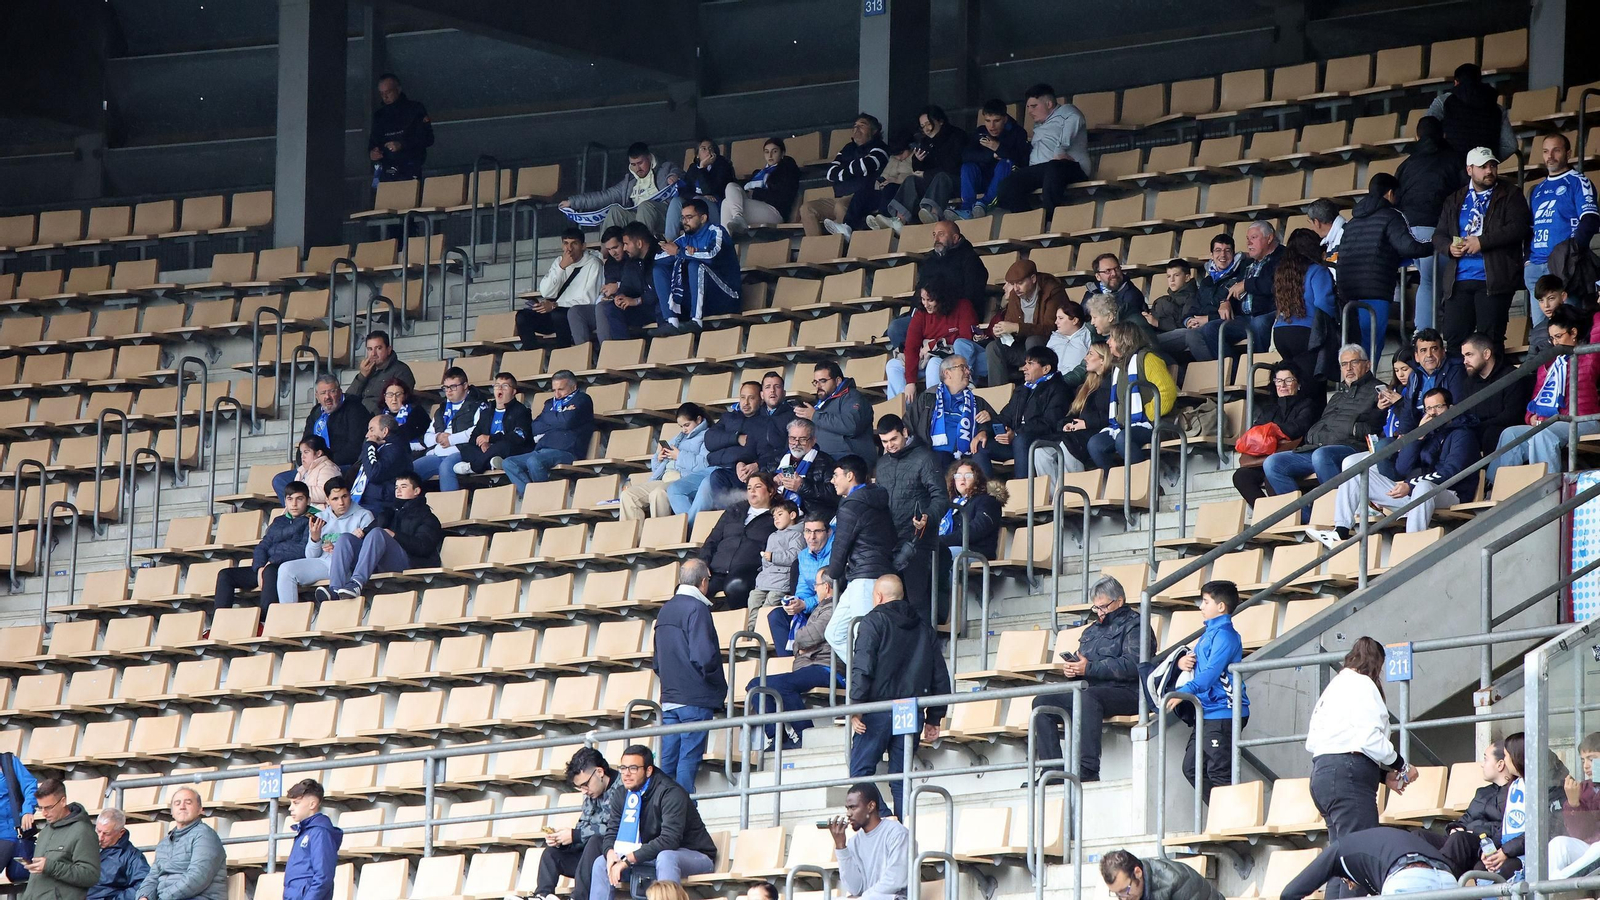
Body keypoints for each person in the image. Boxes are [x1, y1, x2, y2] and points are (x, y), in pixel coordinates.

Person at [1302, 635, 1418, 898]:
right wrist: (1401, 766)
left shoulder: (1336, 686)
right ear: (1377, 664)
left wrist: (1379, 775)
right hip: (1348, 780)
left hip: (1323, 774)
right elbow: (1368, 739)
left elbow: (1323, 742)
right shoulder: (1364, 685)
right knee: (1361, 858)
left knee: (1340, 860)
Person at [1312, 387, 1475, 543]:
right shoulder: (1427, 433)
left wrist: (1410, 485)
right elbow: (1402, 468)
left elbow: (1451, 471)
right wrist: (1418, 437)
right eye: (1428, 408)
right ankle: (1341, 531)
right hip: (1414, 495)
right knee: (1356, 473)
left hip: (1450, 493)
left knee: (1423, 487)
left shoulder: (1462, 433)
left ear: (1451, 407)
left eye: (1438, 407)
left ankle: (1413, 542)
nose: (1432, 413)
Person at [848, 575, 950, 819]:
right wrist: (934, 717)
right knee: (901, 777)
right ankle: (902, 828)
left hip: (879, 709)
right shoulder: (924, 627)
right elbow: (939, 675)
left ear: (879, 597)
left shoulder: (872, 622)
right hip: (911, 709)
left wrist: (856, 706)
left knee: (860, 771)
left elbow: (863, 667)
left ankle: (884, 819)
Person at [1030, 576, 1150, 782]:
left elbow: (1132, 666)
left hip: (1128, 692)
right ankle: (1052, 771)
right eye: (1096, 608)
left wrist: (1089, 668)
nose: (1100, 612)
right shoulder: (1091, 630)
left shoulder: (1136, 625)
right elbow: (1083, 662)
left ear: (1119, 601)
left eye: (1103, 607)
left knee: (1088, 698)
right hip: (1091, 691)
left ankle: (1087, 770)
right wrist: (1074, 669)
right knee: (1042, 703)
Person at [1234, 345, 1383, 505]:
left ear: (1367, 364)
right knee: (1273, 463)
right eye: (1344, 364)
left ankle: (1337, 510)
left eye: (1354, 362)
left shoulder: (1378, 390)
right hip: (1317, 447)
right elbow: (1252, 434)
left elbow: (1375, 425)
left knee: (1321, 455)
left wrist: (1271, 432)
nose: (1349, 368)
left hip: (1349, 447)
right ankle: (1301, 516)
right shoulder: (1338, 396)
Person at [1433, 147, 1533, 348]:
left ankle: (1493, 381)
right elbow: (1438, 235)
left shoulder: (1511, 193)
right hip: (1458, 280)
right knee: (1454, 340)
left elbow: (1519, 227)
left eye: (1493, 166)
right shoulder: (1454, 199)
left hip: (1495, 279)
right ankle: (1460, 381)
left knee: (1491, 340)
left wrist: (1482, 242)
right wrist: (1449, 247)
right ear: (1469, 169)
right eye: (1483, 166)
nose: (1489, 171)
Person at [1489, 304, 1600, 480]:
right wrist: (1531, 417)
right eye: (1551, 338)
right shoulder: (1548, 364)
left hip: (1584, 420)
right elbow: (1535, 399)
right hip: (1551, 423)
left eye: (1558, 336)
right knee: (1510, 434)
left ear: (1574, 333)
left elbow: (1597, 326)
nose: (1555, 343)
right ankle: (1499, 490)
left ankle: (1547, 489)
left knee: (1544, 433)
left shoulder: (1587, 356)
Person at [592, 745, 718, 898]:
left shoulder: (670, 792)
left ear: (649, 770)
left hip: (694, 855)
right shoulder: (621, 794)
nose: (626, 774)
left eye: (633, 768)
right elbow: (612, 832)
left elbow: (669, 840)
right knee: (601, 863)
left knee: (666, 857)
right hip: (647, 855)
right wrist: (610, 853)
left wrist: (626, 861)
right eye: (623, 768)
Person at [1336, 172, 1436, 359]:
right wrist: (1435, 244)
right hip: (1375, 290)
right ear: (1390, 193)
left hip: (1347, 292)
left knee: (1353, 348)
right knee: (1372, 348)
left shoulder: (1353, 222)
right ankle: (1367, 385)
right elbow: (1408, 246)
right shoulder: (1391, 216)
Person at [1166, 581, 1249, 804]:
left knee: (1219, 774)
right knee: (1192, 768)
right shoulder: (1209, 633)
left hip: (1224, 711)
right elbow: (1201, 666)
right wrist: (1184, 661)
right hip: (1207, 712)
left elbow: (1211, 673)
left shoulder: (1226, 635)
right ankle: (1222, 818)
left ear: (1221, 607)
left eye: (1205, 601)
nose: (1201, 606)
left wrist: (1183, 692)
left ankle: (1230, 826)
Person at [651, 557, 727, 790]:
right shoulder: (697, 609)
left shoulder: (665, 610)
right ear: (704, 582)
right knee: (688, 760)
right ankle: (681, 812)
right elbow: (705, 657)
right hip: (695, 697)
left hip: (670, 697)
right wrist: (718, 685)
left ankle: (662, 811)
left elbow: (656, 662)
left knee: (667, 763)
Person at [750, 565, 837, 750]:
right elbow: (805, 639)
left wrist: (797, 642)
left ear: (827, 588)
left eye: (817, 584)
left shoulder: (833, 608)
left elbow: (808, 636)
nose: (815, 588)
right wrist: (800, 646)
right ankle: (776, 736)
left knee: (781, 685)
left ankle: (805, 734)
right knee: (754, 686)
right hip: (810, 665)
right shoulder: (820, 608)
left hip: (826, 667)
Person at [318, 472, 442, 601]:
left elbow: (423, 547)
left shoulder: (428, 517)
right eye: (396, 487)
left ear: (416, 491)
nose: (398, 491)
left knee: (378, 533)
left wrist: (394, 535)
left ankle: (356, 584)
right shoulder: (390, 511)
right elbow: (371, 528)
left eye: (403, 487)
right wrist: (363, 532)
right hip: (382, 560)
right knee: (345, 539)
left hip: (410, 562)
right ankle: (334, 588)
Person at [874, 415, 949, 623]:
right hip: (888, 542)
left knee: (917, 601)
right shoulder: (881, 465)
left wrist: (928, 517)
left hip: (919, 541)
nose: (889, 445)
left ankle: (926, 649)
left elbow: (941, 497)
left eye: (893, 439)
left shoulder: (925, 458)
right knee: (891, 605)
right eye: (884, 442)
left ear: (905, 433)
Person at [1395, 115, 1467, 330]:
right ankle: (1424, 334)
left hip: (1408, 230)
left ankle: (1427, 334)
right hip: (1437, 229)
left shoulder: (1406, 164)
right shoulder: (1455, 159)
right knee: (1431, 281)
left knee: (1430, 281)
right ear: (1443, 135)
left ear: (1417, 136)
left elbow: (1396, 197)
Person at [823, 456, 896, 664]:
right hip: (871, 574)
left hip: (865, 578)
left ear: (849, 476)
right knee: (835, 632)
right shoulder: (877, 499)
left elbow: (840, 545)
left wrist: (833, 573)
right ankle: (864, 675)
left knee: (866, 637)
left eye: (836, 475)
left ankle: (876, 680)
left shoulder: (850, 506)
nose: (832, 480)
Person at [883, 223, 989, 357]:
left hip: (952, 317)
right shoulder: (930, 261)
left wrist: (944, 307)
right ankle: (919, 360)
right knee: (896, 328)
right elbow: (919, 292)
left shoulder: (970, 260)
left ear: (955, 238)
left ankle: (937, 357)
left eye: (941, 234)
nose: (936, 238)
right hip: (928, 317)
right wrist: (916, 312)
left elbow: (971, 295)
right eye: (934, 235)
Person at [533, 749, 624, 900]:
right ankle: (541, 895)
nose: (584, 791)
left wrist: (575, 835)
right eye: (580, 787)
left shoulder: (623, 788)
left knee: (596, 841)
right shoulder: (592, 793)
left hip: (615, 858)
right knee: (551, 853)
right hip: (588, 860)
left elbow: (615, 828)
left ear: (600, 772)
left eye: (585, 785)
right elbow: (583, 829)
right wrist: (562, 842)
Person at [1528, 133, 1600, 323]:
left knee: (1569, 328)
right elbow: (1530, 227)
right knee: (1542, 334)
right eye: (1545, 151)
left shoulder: (1578, 181)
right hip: (1536, 267)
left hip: (1562, 268)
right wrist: (1526, 258)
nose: (1550, 156)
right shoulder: (1537, 190)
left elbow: (1590, 219)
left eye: (1556, 150)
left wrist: (1571, 253)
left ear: (1568, 153)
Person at [1086, 323, 1178, 470]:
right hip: (1124, 427)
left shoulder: (1148, 359)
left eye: (1112, 338)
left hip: (1155, 425)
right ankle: (1118, 485)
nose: (1108, 342)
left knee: (1124, 439)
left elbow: (1167, 392)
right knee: (1095, 444)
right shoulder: (1118, 367)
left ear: (1124, 339)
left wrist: (1147, 414)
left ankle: (1146, 486)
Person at [1187, 223, 1282, 363]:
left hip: (1270, 313)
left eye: (1254, 237)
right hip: (1244, 318)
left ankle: (1261, 372)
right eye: (1247, 238)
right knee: (1212, 329)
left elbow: (1274, 284)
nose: (1249, 243)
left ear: (1269, 238)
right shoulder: (1249, 263)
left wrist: (1246, 284)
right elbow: (1234, 286)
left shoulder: (1282, 257)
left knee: (1259, 324)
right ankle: (1234, 374)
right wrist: (1225, 302)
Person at [690, 382, 786, 521]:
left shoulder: (765, 423)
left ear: (760, 399)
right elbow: (710, 441)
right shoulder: (728, 417)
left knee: (710, 482)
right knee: (675, 489)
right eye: (742, 397)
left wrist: (749, 463)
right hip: (717, 466)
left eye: (751, 398)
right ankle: (689, 529)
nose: (745, 403)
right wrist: (736, 438)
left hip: (745, 472)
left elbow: (766, 453)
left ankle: (729, 522)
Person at [212, 481, 312, 611]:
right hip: (266, 567)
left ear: (308, 501)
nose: (294, 504)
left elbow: (302, 549)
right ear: (285, 501)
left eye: (299, 499)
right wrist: (259, 567)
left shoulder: (312, 520)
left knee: (270, 572)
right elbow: (262, 546)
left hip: (287, 568)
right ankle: (219, 623)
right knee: (225, 575)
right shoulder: (278, 521)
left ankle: (265, 620)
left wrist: (271, 562)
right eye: (290, 499)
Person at [1281, 827, 1454, 900]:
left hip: (1407, 878)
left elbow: (1289, 893)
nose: (1349, 887)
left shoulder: (1339, 850)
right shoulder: (1378, 844)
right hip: (1448, 880)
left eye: (1344, 880)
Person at [1228, 364, 1318, 504]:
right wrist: (1274, 433)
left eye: (1288, 380)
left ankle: (1288, 517)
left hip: (1294, 456)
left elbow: (1298, 428)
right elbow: (1254, 433)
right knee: (1241, 476)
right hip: (1265, 458)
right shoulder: (1269, 409)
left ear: (1298, 384)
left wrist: (1271, 431)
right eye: (1278, 381)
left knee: (1271, 476)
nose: (1283, 385)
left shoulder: (1307, 404)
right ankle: (1266, 514)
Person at [276, 477, 374, 604]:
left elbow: (368, 553)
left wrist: (340, 550)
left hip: (349, 567)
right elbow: (310, 555)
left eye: (344, 496)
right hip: (324, 563)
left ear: (350, 495)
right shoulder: (320, 517)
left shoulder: (364, 515)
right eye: (335, 499)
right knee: (286, 569)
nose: (341, 503)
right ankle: (289, 618)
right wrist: (315, 539)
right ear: (327, 500)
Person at [272, 376, 368, 503]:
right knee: (280, 480)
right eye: (323, 393)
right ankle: (298, 516)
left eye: (332, 391)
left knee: (324, 485)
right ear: (317, 396)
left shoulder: (355, 409)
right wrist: (308, 463)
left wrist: (325, 461)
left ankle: (314, 514)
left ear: (339, 392)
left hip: (342, 466)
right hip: (314, 466)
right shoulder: (316, 413)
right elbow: (304, 445)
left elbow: (355, 448)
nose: (327, 397)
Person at [996, 84, 1088, 213]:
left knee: (1054, 167)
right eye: (1027, 107)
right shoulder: (1038, 126)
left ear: (1049, 104)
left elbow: (1075, 119)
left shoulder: (1066, 111)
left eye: (1034, 106)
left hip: (1071, 167)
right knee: (1007, 185)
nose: (1029, 111)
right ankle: (1030, 219)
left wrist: (1060, 150)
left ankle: (1050, 218)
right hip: (1043, 170)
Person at [872, 105, 966, 230]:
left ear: (940, 121)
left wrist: (926, 174)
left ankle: (933, 214)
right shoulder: (926, 142)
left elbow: (952, 166)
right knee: (911, 179)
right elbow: (917, 169)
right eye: (923, 126)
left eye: (928, 124)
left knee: (941, 177)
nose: (926, 129)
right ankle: (899, 220)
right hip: (933, 182)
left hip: (956, 182)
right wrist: (918, 160)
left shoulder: (956, 136)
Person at [653, 198, 741, 330]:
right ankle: (671, 322)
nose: (684, 221)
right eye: (682, 218)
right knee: (659, 270)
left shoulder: (717, 231)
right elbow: (658, 257)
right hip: (702, 299)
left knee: (695, 266)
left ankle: (696, 321)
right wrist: (682, 252)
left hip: (726, 297)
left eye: (689, 217)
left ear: (703, 218)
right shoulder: (686, 238)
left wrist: (680, 252)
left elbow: (711, 255)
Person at [560, 141, 683, 234]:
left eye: (640, 163)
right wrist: (573, 202)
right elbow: (604, 196)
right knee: (614, 211)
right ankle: (606, 257)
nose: (637, 168)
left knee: (645, 206)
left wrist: (674, 176)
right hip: (638, 220)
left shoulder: (665, 168)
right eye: (633, 164)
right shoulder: (629, 182)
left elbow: (680, 172)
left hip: (665, 217)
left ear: (649, 158)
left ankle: (642, 251)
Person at [888, 276, 981, 398]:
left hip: (949, 356)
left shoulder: (962, 306)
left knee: (934, 364)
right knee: (893, 365)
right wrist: (910, 382)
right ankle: (901, 412)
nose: (926, 304)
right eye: (923, 299)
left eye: (930, 300)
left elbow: (965, 338)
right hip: (924, 358)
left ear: (941, 298)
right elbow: (912, 347)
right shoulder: (921, 313)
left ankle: (933, 409)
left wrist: (933, 344)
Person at [502, 371, 594, 493]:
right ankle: (531, 496)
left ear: (574, 387)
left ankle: (543, 497)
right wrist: (560, 416)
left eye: (561, 389)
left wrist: (550, 417)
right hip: (542, 450)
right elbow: (536, 426)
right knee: (508, 462)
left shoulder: (582, 399)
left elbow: (566, 422)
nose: (557, 394)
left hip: (567, 451)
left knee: (534, 461)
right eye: (554, 390)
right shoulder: (550, 403)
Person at [697, 473, 778, 610]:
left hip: (748, 571)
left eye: (758, 486)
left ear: (771, 491)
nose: (752, 491)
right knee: (686, 590)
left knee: (736, 585)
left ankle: (742, 627)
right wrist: (703, 564)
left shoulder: (777, 515)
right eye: (749, 487)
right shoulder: (734, 510)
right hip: (716, 570)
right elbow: (712, 540)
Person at [803, 113, 889, 240]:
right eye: (855, 126)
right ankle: (817, 248)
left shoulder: (880, 147)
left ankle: (843, 248)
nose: (857, 129)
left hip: (860, 198)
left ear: (874, 130)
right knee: (807, 208)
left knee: (840, 206)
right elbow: (831, 174)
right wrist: (853, 169)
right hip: (838, 196)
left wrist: (844, 170)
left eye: (862, 125)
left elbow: (866, 165)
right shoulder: (848, 148)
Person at [906, 355, 996, 475]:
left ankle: (984, 493)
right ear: (947, 373)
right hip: (935, 455)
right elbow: (908, 425)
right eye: (963, 367)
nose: (968, 371)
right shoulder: (928, 399)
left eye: (968, 368)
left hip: (969, 455)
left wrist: (985, 427)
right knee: (938, 460)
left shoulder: (977, 401)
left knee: (980, 456)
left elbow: (998, 425)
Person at [990, 344, 1070, 479]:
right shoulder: (1023, 389)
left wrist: (1016, 433)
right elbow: (1004, 416)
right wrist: (983, 432)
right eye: (1025, 363)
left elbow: (1049, 423)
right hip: (1016, 440)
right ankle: (985, 495)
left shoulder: (1059, 389)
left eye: (1030, 364)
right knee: (982, 446)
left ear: (1046, 369)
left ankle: (1023, 490)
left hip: (1042, 440)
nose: (1024, 368)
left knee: (1021, 440)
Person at [519, 227, 606, 349]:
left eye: (574, 243)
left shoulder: (593, 264)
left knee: (558, 315)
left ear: (583, 246)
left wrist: (556, 305)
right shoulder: (559, 262)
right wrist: (561, 267)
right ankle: (532, 355)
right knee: (522, 317)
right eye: (566, 243)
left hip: (575, 315)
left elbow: (588, 300)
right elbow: (545, 292)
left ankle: (563, 354)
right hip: (555, 311)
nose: (569, 249)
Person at [1269, 229, 1338, 382]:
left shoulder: (1282, 273)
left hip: (1281, 332)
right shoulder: (1317, 270)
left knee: (1293, 382)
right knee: (1313, 384)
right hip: (1306, 333)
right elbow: (1323, 302)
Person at [619, 404, 710, 519]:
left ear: (698, 419)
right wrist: (659, 459)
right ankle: (633, 536)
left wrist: (679, 456)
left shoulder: (708, 436)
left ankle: (661, 534)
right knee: (628, 495)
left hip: (684, 480)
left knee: (658, 494)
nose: (684, 430)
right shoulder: (679, 437)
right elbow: (657, 468)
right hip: (664, 478)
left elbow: (705, 465)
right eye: (681, 426)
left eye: (687, 425)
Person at [984, 258, 1066, 385]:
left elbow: (1050, 328)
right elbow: (1010, 324)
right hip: (1022, 348)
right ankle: (998, 393)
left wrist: (1017, 327)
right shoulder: (1014, 295)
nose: (1016, 288)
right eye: (1013, 284)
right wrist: (1001, 331)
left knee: (1033, 340)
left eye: (1020, 283)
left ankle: (1034, 387)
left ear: (1033, 279)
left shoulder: (1052, 291)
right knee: (993, 347)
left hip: (1048, 347)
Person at [948, 98, 1031, 220]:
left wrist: (998, 148)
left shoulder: (1017, 132)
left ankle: (985, 204)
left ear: (1005, 119)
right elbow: (965, 156)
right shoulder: (980, 132)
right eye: (988, 121)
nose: (991, 126)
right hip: (985, 179)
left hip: (1006, 180)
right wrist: (991, 155)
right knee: (968, 166)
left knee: (1005, 162)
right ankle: (967, 207)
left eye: (996, 121)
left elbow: (1021, 160)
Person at [135, 788, 226, 900]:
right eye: (177, 803)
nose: (182, 806)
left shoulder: (205, 836)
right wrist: (144, 897)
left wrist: (163, 898)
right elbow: (153, 877)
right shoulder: (164, 843)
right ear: (172, 812)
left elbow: (197, 877)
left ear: (200, 809)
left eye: (188, 803)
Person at [829, 783, 910, 900]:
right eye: (847, 808)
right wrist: (841, 846)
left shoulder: (897, 833)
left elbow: (895, 880)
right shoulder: (854, 842)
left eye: (853, 807)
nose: (848, 814)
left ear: (871, 806)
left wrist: (862, 898)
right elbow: (855, 889)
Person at [20, 778, 97, 900]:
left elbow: (90, 875)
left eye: (48, 807)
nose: (44, 813)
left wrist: (50, 866)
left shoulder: (82, 830)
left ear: (63, 801)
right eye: (41, 808)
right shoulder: (45, 832)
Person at [410, 367, 482, 494]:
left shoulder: (477, 405)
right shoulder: (441, 410)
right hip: (438, 454)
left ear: (465, 386)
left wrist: (451, 439)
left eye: (453, 387)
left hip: (464, 451)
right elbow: (427, 437)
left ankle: (451, 510)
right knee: (410, 472)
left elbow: (477, 431)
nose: (448, 391)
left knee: (446, 467)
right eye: (446, 387)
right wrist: (438, 438)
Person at [1425, 63, 1517, 160]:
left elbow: (1427, 130)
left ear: (1456, 82)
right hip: (1482, 171)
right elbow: (1510, 146)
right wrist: (1488, 161)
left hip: (1452, 168)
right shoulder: (1496, 106)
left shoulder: (1443, 101)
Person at [1461, 333, 1532, 455]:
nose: (1465, 361)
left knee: (1491, 433)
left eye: (1469, 355)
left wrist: (1480, 427)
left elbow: (1512, 416)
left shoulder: (1512, 376)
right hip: (1479, 431)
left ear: (1486, 354)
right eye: (1464, 356)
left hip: (1506, 431)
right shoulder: (1468, 383)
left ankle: (1492, 475)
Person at [592, 223, 664, 343]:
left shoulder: (660, 256)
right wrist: (621, 296)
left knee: (661, 305)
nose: (624, 249)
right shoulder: (632, 262)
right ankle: (624, 351)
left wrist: (637, 301)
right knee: (612, 308)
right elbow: (627, 285)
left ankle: (666, 346)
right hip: (644, 308)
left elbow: (661, 291)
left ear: (639, 244)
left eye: (626, 244)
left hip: (662, 306)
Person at [1393, 329, 1467, 437]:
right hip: (1418, 432)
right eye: (1423, 350)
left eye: (1434, 349)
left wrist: (1422, 433)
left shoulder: (1455, 372)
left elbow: (1455, 408)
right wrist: (1403, 433)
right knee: (1385, 445)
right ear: (1416, 356)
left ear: (1443, 352)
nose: (1429, 355)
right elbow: (1408, 410)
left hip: (1442, 431)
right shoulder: (1414, 376)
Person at [798, 361, 876, 462]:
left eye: (823, 381)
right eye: (816, 382)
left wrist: (815, 416)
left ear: (838, 380)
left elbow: (851, 426)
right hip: (822, 458)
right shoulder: (821, 401)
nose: (818, 386)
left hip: (849, 458)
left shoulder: (852, 397)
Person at [722, 138, 801, 233]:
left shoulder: (786, 170)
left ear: (782, 153)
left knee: (727, 204)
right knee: (731, 187)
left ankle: (725, 242)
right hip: (755, 206)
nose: (770, 155)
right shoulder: (758, 173)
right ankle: (737, 219)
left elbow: (782, 197)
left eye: (774, 151)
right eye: (767, 152)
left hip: (774, 211)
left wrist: (754, 193)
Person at [747, 498, 804, 629]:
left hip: (781, 581)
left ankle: (762, 635)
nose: (776, 519)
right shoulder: (772, 535)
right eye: (774, 516)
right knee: (753, 599)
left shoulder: (796, 535)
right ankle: (750, 635)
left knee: (770, 604)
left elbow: (795, 556)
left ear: (792, 515)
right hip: (766, 580)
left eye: (780, 514)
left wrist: (773, 557)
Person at [367, 74, 432, 182]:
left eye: (388, 92)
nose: (385, 97)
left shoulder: (415, 109)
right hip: (386, 170)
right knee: (384, 197)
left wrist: (402, 145)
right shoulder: (379, 116)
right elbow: (373, 142)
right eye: (382, 94)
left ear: (398, 89)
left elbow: (428, 138)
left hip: (411, 168)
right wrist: (372, 152)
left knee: (409, 197)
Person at [1059, 341, 1113, 472]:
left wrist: (1087, 423)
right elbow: (1072, 414)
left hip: (1101, 431)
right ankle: (1055, 492)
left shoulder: (1112, 382)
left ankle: (1075, 490)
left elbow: (1113, 414)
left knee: (1067, 445)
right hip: (1079, 432)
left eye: (1090, 354)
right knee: (1040, 452)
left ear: (1102, 359)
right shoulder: (1084, 387)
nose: (1085, 358)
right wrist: (1066, 424)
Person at [281, 780, 340, 900]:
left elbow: (323, 877)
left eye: (296, 803)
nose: (290, 808)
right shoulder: (304, 831)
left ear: (312, 804)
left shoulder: (320, 832)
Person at [667, 138, 736, 240]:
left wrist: (703, 168)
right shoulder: (693, 168)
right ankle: (670, 241)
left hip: (715, 206)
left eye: (710, 148)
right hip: (696, 203)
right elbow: (684, 190)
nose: (708, 151)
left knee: (698, 201)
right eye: (703, 149)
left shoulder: (722, 166)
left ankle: (700, 239)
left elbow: (710, 190)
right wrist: (695, 196)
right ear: (697, 155)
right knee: (676, 201)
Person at [772, 418, 838, 521]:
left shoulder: (826, 462)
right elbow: (763, 479)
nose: (796, 443)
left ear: (813, 440)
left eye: (802, 439)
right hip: (777, 513)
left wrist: (802, 487)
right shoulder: (780, 458)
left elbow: (833, 493)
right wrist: (773, 482)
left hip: (811, 518)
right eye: (793, 438)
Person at [938, 460, 1002, 563]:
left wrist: (941, 541)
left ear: (977, 479)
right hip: (951, 547)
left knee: (940, 555)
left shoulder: (988, 501)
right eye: (958, 476)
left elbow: (975, 530)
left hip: (975, 552)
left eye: (968, 475)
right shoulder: (951, 504)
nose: (962, 479)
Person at [1098, 849, 1225, 900]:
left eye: (1126, 890)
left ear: (1138, 872)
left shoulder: (1177, 881)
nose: (1123, 898)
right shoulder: (1133, 894)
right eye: (1117, 893)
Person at [350, 414, 413, 515]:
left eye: (371, 430)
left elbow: (373, 473)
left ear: (385, 431)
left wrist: (369, 445)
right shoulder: (380, 447)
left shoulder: (395, 450)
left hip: (379, 507)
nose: (367, 435)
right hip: (362, 502)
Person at [345, 331, 414, 416]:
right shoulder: (367, 370)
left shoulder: (401, 371)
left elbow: (399, 404)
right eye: (370, 349)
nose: (373, 353)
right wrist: (362, 376)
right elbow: (348, 397)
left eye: (378, 348)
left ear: (388, 350)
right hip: (359, 417)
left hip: (381, 420)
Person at [1148, 260, 1203, 362]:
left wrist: (1157, 323)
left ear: (1187, 277)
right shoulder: (1168, 298)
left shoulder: (1192, 297)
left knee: (1146, 345)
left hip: (1184, 334)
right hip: (1162, 334)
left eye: (1176, 275)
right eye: (1169, 276)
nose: (1172, 280)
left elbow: (1185, 325)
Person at [90, 809, 147, 900]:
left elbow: (143, 884)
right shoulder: (83, 845)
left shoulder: (132, 856)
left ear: (121, 833)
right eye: (98, 831)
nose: (100, 838)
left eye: (106, 834)